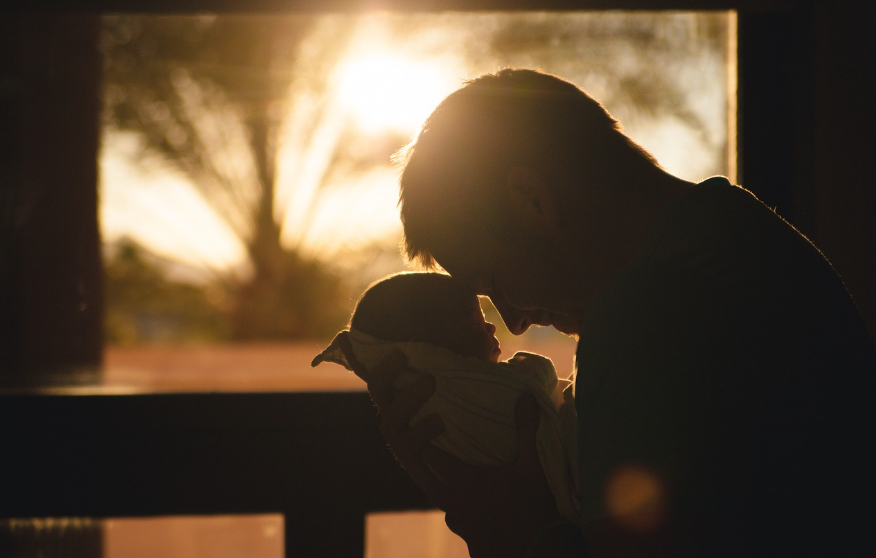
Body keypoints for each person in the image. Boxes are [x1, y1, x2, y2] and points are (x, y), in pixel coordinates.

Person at [344, 69, 876, 558]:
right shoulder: (742, 235)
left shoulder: (645, 316)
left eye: (496, 283)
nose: (514, 323)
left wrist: (503, 525)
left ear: (530, 197)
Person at [312, 271, 580, 525]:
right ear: (424, 352)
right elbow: (536, 383)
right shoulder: (463, 396)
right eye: (472, 323)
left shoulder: (422, 413)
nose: (493, 326)